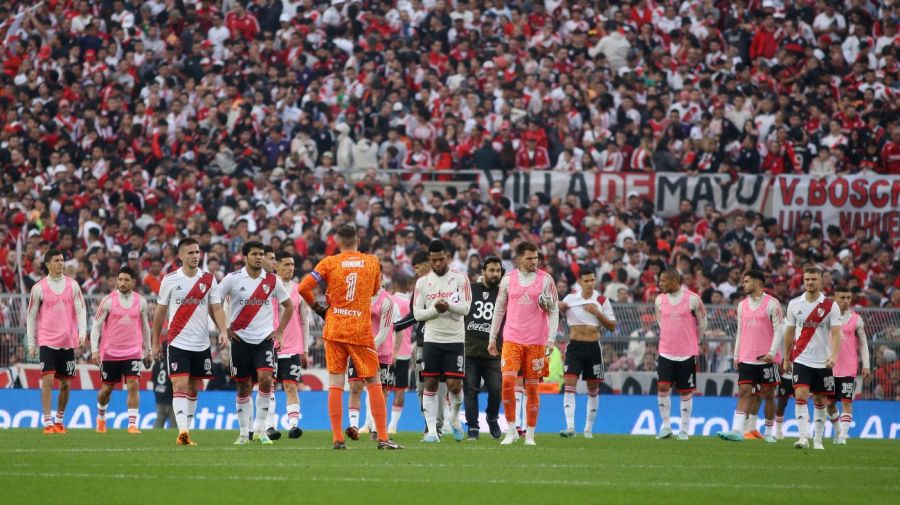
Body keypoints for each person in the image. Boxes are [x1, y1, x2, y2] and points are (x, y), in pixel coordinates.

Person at [298, 224, 401, 450]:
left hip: (334, 328)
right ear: (358, 240)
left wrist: (319, 309)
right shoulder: (372, 261)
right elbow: (374, 291)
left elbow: (304, 287)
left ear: (337, 242)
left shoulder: (329, 262)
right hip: (359, 330)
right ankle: (383, 437)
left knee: (335, 383)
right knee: (373, 381)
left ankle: (337, 439)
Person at [213, 241, 293, 445]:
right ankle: (243, 433)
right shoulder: (233, 279)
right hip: (240, 340)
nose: (259, 257)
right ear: (245, 257)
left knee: (266, 379)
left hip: (264, 340)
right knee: (244, 386)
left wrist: (280, 332)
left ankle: (260, 429)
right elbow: (214, 302)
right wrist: (225, 329)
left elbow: (288, 306)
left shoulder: (272, 281)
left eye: (261, 254)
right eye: (255, 254)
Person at [152, 238, 229, 446]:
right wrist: (155, 343)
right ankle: (183, 432)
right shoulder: (169, 280)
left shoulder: (209, 279)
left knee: (195, 387)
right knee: (179, 383)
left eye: (197, 252)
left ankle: (187, 428)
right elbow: (160, 313)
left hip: (201, 343)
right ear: (181, 256)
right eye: (191, 253)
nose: (195, 256)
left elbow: (216, 308)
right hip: (177, 341)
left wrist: (223, 331)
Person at [489, 241, 560, 446]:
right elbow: (499, 309)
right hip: (512, 339)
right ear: (519, 258)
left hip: (536, 341)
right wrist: (492, 338)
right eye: (529, 258)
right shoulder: (508, 280)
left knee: (532, 388)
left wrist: (551, 339)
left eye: (536, 257)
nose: (534, 261)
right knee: (508, 383)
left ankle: (530, 434)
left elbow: (554, 310)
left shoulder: (546, 280)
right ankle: (511, 430)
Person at [414, 239, 472, 443]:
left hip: (455, 339)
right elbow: (417, 313)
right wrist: (434, 310)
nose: (437, 264)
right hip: (431, 339)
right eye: (434, 260)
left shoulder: (460, 278)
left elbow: (465, 308)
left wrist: (448, 306)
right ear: (429, 260)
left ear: (447, 257)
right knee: (429, 383)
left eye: (441, 259)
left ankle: (455, 419)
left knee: (454, 385)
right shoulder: (422, 282)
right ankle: (432, 432)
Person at [26, 249, 88, 434]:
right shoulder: (39, 288)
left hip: (67, 342)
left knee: (66, 384)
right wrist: (31, 343)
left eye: (62, 260)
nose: (61, 263)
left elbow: (81, 310)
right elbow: (31, 317)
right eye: (56, 260)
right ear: (47, 264)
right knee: (48, 379)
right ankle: (47, 422)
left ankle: (59, 420)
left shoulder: (73, 285)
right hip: (47, 341)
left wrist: (82, 334)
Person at [718, 270, 783, 443]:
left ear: (757, 283)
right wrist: (736, 354)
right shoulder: (742, 305)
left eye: (747, 281)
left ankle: (769, 432)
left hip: (766, 358)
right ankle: (737, 430)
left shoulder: (772, 304)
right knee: (745, 392)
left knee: (769, 394)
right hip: (747, 357)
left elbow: (779, 330)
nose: (744, 284)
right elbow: (740, 331)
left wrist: (771, 352)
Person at [783, 266, 842, 450]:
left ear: (821, 281)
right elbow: (789, 332)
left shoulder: (830, 305)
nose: (810, 282)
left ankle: (818, 440)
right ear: (803, 280)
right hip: (801, 358)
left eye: (814, 279)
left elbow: (836, 333)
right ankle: (803, 437)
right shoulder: (794, 304)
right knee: (800, 394)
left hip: (823, 361)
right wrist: (786, 358)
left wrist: (833, 355)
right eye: (807, 279)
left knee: (820, 399)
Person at [90, 266, 152, 434]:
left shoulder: (141, 302)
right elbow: (96, 326)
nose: (122, 283)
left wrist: (148, 350)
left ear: (133, 282)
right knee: (107, 389)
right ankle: (101, 417)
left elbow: (145, 327)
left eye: (126, 280)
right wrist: (94, 350)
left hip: (132, 352)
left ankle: (132, 424)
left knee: (133, 385)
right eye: (120, 279)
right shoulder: (108, 301)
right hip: (110, 353)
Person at [558, 269, 617, 438]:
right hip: (575, 347)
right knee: (569, 384)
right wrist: (559, 307)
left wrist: (597, 312)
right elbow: (557, 312)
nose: (591, 283)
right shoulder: (570, 299)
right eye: (587, 281)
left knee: (593, 388)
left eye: (593, 280)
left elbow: (612, 326)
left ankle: (588, 429)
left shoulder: (601, 300)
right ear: (580, 282)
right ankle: (570, 427)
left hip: (593, 348)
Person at [394, 251, 447, 436]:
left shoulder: (442, 283)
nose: (416, 272)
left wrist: (396, 326)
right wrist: (397, 326)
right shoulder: (420, 285)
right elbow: (413, 314)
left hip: (441, 340)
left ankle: (440, 424)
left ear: (426, 264)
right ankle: (429, 424)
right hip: (422, 341)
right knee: (420, 387)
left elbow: (414, 316)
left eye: (417, 268)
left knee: (439, 385)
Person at [655, 268, 707, 441]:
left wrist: (694, 340)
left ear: (674, 281)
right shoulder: (659, 300)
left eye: (663, 281)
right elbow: (660, 322)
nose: (660, 283)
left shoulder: (693, 299)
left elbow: (702, 323)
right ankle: (666, 426)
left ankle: (684, 429)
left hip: (687, 353)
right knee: (662, 387)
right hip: (666, 351)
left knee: (685, 391)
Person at [463, 256, 505, 440]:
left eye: (498, 271)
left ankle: (492, 416)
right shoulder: (470, 289)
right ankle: (473, 427)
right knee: (471, 390)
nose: (495, 274)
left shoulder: (504, 292)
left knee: (496, 389)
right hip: (470, 350)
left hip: (494, 351)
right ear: (483, 271)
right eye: (492, 270)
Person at [273, 251, 311, 439]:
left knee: (291, 387)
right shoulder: (268, 288)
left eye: (292, 265)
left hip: (293, 347)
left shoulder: (299, 290)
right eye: (286, 265)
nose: (290, 268)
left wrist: (304, 350)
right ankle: (269, 426)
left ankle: (293, 425)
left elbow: (304, 321)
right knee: (267, 387)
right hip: (270, 346)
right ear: (276, 266)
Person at [827, 285, 871, 445]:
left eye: (848, 298)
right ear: (835, 298)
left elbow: (864, 344)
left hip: (848, 368)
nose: (846, 301)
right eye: (842, 298)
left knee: (846, 401)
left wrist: (866, 365)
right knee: (829, 404)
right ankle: (838, 431)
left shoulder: (856, 319)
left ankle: (843, 436)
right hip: (828, 368)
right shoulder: (827, 319)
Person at [348, 286, 394, 440]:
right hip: (358, 349)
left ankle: (376, 428)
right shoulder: (358, 296)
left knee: (380, 391)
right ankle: (354, 426)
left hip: (380, 351)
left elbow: (385, 330)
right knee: (355, 387)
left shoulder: (386, 299)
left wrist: (370, 346)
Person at [387, 276, 414, 435]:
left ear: (395, 285)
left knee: (382, 389)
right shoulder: (412, 303)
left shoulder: (390, 300)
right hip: (405, 352)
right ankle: (393, 426)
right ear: (409, 286)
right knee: (400, 389)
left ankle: (373, 424)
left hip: (387, 351)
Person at [152, 341, 176, 429]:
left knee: (159, 421)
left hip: (159, 397)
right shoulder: (172, 364)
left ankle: (151, 439)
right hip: (171, 399)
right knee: (174, 425)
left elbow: (154, 381)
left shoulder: (157, 364)